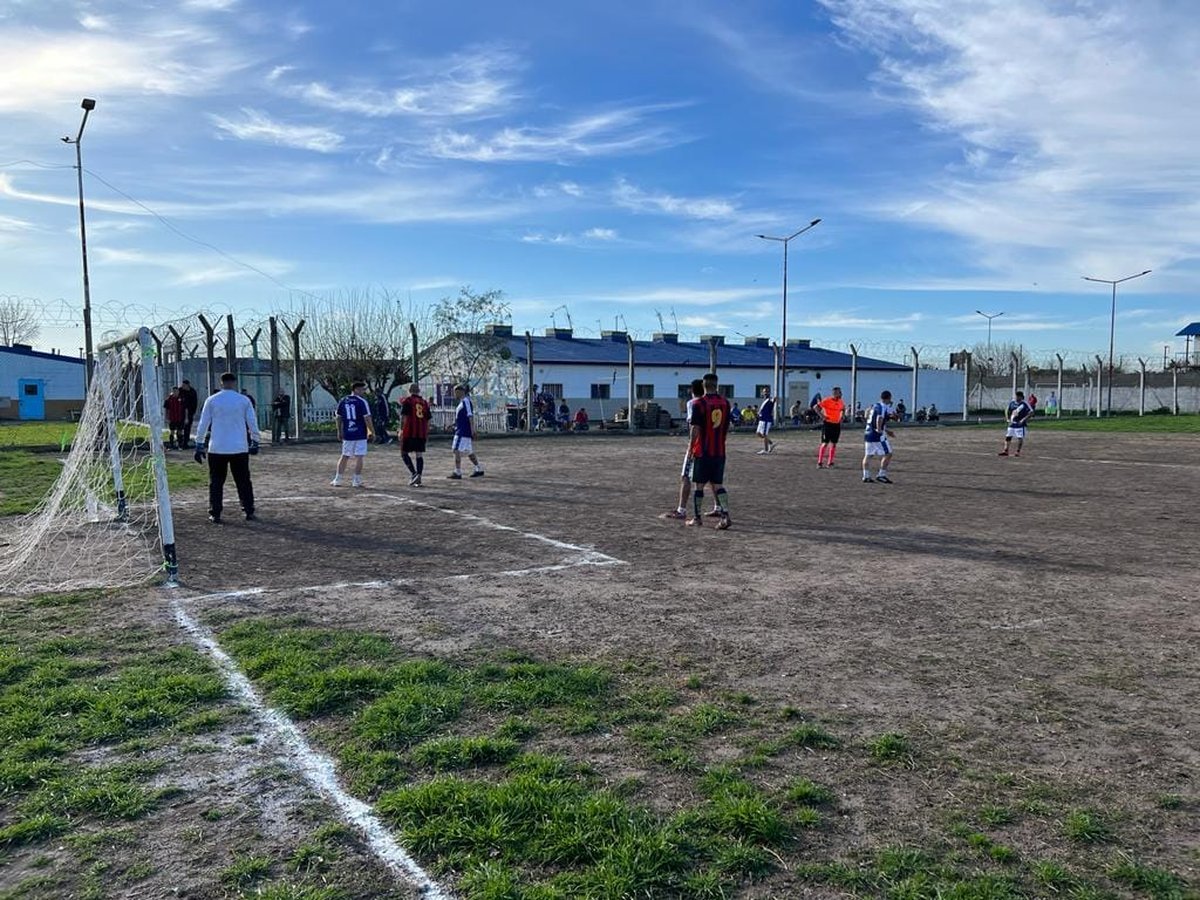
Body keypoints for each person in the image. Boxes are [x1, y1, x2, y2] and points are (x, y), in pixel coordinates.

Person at [193, 372, 260, 523]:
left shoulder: (212, 400)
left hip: (217, 447)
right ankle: (248, 510)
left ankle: (215, 512)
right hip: (239, 447)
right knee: (243, 481)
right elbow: (252, 421)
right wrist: (255, 440)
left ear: (221, 382)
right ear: (234, 382)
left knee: (216, 481)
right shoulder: (243, 400)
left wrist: (199, 444)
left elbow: (203, 423)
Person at [689, 372, 732, 529]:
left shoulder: (699, 403)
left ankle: (697, 518)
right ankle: (725, 515)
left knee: (699, 485)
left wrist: (691, 448)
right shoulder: (725, 403)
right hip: (719, 450)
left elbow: (695, 428)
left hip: (703, 451)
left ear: (703, 385)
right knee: (718, 484)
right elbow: (727, 426)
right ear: (717, 384)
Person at [663, 379, 705, 520]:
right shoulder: (712, 403)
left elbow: (693, 425)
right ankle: (719, 507)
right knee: (712, 479)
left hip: (697, 445)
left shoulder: (693, 403)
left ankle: (682, 509)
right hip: (712, 446)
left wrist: (691, 444)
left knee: (685, 476)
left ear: (692, 391)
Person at [332, 380, 374, 487]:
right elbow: (367, 418)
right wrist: (372, 431)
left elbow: (338, 417)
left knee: (345, 455)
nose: (363, 391)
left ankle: (338, 479)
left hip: (348, 433)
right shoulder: (362, 401)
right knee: (359, 456)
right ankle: (356, 480)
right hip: (360, 433)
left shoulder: (343, 400)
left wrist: (339, 430)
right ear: (356, 389)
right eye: (362, 389)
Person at [398, 382, 431, 486]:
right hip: (421, 432)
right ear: (419, 391)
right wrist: (426, 431)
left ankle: (414, 473)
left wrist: (401, 430)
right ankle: (419, 476)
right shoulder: (424, 402)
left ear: (409, 391)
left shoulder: (407, 401)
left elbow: (404, 417)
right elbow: (428, 419)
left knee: (404, 453)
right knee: (419, 454)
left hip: (409, 431)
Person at [449, 384, 484, 479]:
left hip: (462, 431)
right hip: (462, 429)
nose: (454, 394)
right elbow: (462, 417)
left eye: (454, 392)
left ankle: (458, 472)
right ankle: (479, 469)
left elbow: (470, 415)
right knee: (469, 451)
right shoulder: (462, 402)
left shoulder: (466, 401)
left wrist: (473, 430)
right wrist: (453, 425)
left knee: (456, 450)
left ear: (460, 391)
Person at [862, 390, 896, 484]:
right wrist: (880, 430)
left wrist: (886, 431)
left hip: (868, 433)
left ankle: (866, 476)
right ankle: (881, 475)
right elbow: (879, 418)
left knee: (868, 455)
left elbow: (871, 418)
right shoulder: (882, 406)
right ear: (888, 398)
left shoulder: (874, 406)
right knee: (888, 453)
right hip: (877, 435)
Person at [816, 386, 846, 468]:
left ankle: (830, 462)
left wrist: (842, 416)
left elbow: (843, 408)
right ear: (835, 393)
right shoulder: (827, 400)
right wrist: (822, 416)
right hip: (828, 424)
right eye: (839, 392)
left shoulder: (841, 402)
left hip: (836, 424)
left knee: (834, 444)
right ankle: (820, 462)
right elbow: (816, 407)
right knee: (825, 443)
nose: (841, 394)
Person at [999, 390, 1033, 457]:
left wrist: (1023, 419)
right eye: (1015, 396)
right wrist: (1007, 419)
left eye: (1017, 396)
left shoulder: (1024, 404)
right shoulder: (1012, 402)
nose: (1016, 398)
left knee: (1020, 438)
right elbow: (1007, 410)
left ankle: (1018, 451)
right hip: (1012, 423)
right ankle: (1005, 450)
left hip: (1020, 424)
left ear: (1021, 397)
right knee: (1008, 437)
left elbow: (1031, 412)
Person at [755, 388, 776, 454]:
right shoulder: (765, 400)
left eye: (766, 392)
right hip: (762, 419)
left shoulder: (770, 399)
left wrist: (774, 399)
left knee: (764, 434)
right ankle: (771, 443)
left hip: (766, 419)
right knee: (758, 433)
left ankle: (766, 450)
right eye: (764, 392)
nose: (765, 393)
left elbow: (773, 401)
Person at [179, 379, 198, 448]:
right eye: (182, 385)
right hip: (181, 412)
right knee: (180, 428)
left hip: (189, 412)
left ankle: (185, 443)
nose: (183, 386)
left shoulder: (192, 392)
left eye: (184, 385)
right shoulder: (180, 390)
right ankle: (180, 442)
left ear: (188, 385)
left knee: (187, 428)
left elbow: (195, 403)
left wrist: (193, 412)